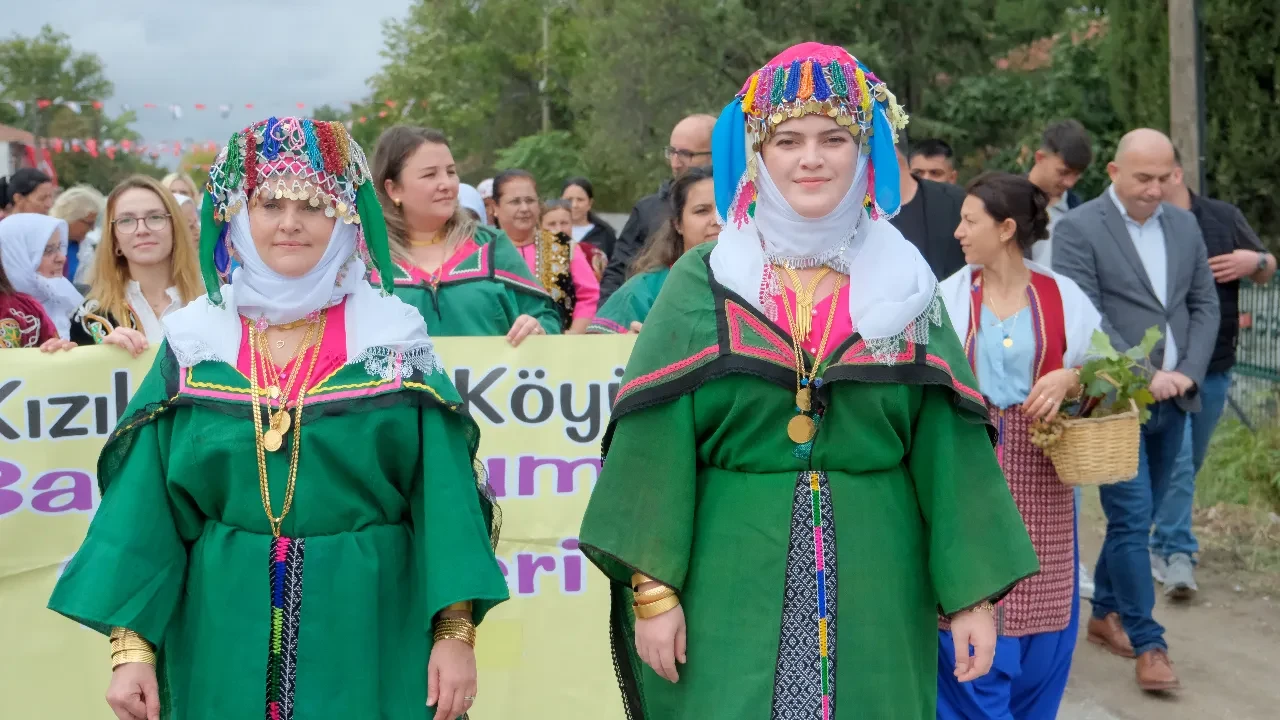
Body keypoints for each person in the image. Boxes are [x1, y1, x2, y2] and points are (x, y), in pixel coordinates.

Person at [578, 43, 1038, 719]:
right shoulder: (701, 280)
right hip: (723, 577)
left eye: (834, 139)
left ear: (866, 151)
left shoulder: (907, 285)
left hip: (879, 580)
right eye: (787, 140)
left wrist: (970, 597)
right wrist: (654, 593)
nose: (811, 159)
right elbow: (652, 450)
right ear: (758, 155)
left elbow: (951, 451)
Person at [48, 116, 508, 720]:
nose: (290, 224)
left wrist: (454, 635)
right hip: (218, 629)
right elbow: (145, 507)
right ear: (239, 216)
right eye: (269, 204)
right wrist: (131, 647)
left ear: (343, 216)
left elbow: (444, 500)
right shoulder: (194, 345)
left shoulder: (392, 338)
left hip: (371, 625)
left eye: (313, 205)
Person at [1053, 128, 1220, 693]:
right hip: (1115, 404)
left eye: (1165, 177)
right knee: (1129, 517)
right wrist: (1150, 376)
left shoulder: (1184, 224)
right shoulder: (1078, 229)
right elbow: (1087, 317)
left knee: (1140, 518)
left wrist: (1187, 374)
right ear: (1114, 172)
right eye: (1143, 178)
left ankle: (1103, 614)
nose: (1155, 189)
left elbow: (1203, 303)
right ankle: (1150, 644)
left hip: (1178, 398)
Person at [937, 172, 1102, 719]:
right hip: (969, 470)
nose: (958, 231)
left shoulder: (1062, 297)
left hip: (1043, 477)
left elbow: (1119, 371)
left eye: (970, 220)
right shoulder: (948, 297)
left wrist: (1070, 378)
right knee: (968, 604)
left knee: (1044, 615)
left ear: (1006, 229)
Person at [1149, 150, 1277, 599]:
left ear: (1178, 174)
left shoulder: (1222, 217)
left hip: (1216, 365)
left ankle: (1160, 540)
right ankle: (1179, 553)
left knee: (1188, 459)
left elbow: (1267, 265)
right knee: (1179, 461)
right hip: (1164, 368)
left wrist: (1254, 262)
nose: (1149, 187)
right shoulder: (1143, 228)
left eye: (1158, 177)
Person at [373, 126, 561, 343]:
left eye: (451, 172)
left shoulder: (490, 246)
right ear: (393, 189)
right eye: (430, 174)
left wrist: (537, 328)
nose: (447, 184)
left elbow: (546, 318)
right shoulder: (368, 261)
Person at [70, 175, 203, 350]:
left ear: (175, 228)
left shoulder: (213, 304)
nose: (142, 229)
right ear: (114, 239)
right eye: (126, 220)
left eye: (155, 217)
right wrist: (103, 353)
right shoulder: (91, 317)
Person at [599, 113, 716, 303]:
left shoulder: (746, 204)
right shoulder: (646, 209)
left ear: (716, 154)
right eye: (672, 152)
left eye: (685, 154)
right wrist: (614, 326)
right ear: (677, 223)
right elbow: (617, 273)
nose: (675, 163)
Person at [587, 166, 718, 334]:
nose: (717, 220)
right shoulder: (643, 291)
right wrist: (634, 348)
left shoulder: (758, 285)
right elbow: (597, 350)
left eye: (725, 209)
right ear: (677, 224)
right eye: (702, 211)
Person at [492, 170, 600, 333]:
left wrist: (572, 338)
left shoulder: (564, 246)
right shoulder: (483, 250)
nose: (524, 208)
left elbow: (588, 296)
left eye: (530, 200)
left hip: (558, 348)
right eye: (515, 202)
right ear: (495, 207)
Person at [0, 213, 84, 339]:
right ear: (16, 258)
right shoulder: (6, 312)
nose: (62, 258)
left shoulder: (65, 298)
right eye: (47, 250)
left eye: (59, 247)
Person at [890, 142, 967, 278]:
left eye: (935, 173)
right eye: (918, 173)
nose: (926, 179)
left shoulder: (962, 205)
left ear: (952, 177)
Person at [1027, 120, 1093, 266]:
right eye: (1063, 172)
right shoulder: (1005, 201)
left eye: (1077, 175)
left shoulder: (1080, 213)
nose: (1069, 183)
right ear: (1040, 158)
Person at [0, 243, 76, 351]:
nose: (61, 258)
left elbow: (53, 359)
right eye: (47, 250)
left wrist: (57, 349)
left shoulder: (25, 307)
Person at [49, 184, 106, 282]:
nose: (92, 229)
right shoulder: (42, 243)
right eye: (89, 223)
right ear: (71, 217)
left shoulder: (85, 247)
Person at [543, 198, 606, 281]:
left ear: (572, 224)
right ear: (540, 227)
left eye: (564, 223)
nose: (559, 229)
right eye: (552, 224)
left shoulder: (592, 255)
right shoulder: (531, 254)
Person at [561, 176, 618, 255]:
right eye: (569, 200)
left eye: (580, 200)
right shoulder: (551, 230)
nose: (574, 205)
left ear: (590, 203)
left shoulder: (605, 234)